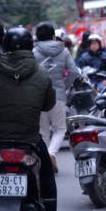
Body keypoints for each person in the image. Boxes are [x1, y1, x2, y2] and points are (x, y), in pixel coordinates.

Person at [0, 27, 67, 211]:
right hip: (29, 139)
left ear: (5, 46)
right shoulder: (42, 73)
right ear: (30, 46)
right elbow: (48, 105)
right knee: (46, 171)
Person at [33, 22, 78, 174]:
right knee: (60, 129)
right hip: (58, 94)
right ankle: (51, 154)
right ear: (53, 35)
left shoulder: (34, 52)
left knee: (43, 131)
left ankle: (45, 160)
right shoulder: (64, 51)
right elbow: (73, 71)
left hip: (39, 95)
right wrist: (64, 86)